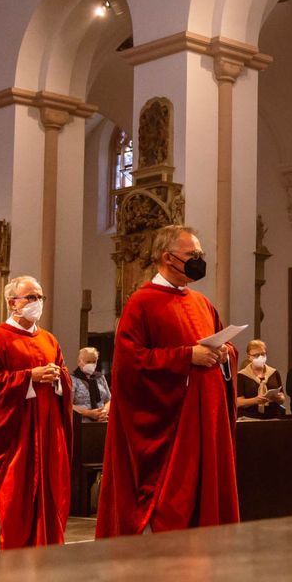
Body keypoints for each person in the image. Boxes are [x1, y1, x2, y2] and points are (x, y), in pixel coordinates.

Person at [96, 224, 240, 537]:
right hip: (171, 423)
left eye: (200, 255)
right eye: (192, 255)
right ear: (167, 258)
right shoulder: (142, 303)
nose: (198, 261)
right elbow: (130, 364)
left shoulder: (203, 303)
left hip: (206, 419)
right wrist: (187, 356)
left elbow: (220, 345)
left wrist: (225, 353)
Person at [0, 276, 73, 554]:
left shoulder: (49, 340)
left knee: (45, 491)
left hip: (45, 430)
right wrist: (28, 379)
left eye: (40, 297)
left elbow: (65, 375)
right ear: (13, 303)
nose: (37, 303)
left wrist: (58, 379)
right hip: (13, 436)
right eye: (31, 297)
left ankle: (42, 546)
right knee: (11, 493)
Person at [237, 339, 286, 419]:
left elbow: (282, 398)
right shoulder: (242, 375)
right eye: (256, 355)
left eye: (263, 354)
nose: (260, 357)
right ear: (249, 357)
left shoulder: (274, 372)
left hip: (273, 416)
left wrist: (278, 398)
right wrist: (255, 400)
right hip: (249, 417)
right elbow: (238, 402)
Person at [71, 346, 111, 422]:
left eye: (94, 361)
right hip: (82, 423)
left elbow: (108, 400)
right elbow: (68, 405)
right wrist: (89, 413)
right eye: (88, 362)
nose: (91, 364)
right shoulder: (72, 379)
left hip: (102, 421)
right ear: (79, 362)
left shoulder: (100, 377)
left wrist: (104, 412)